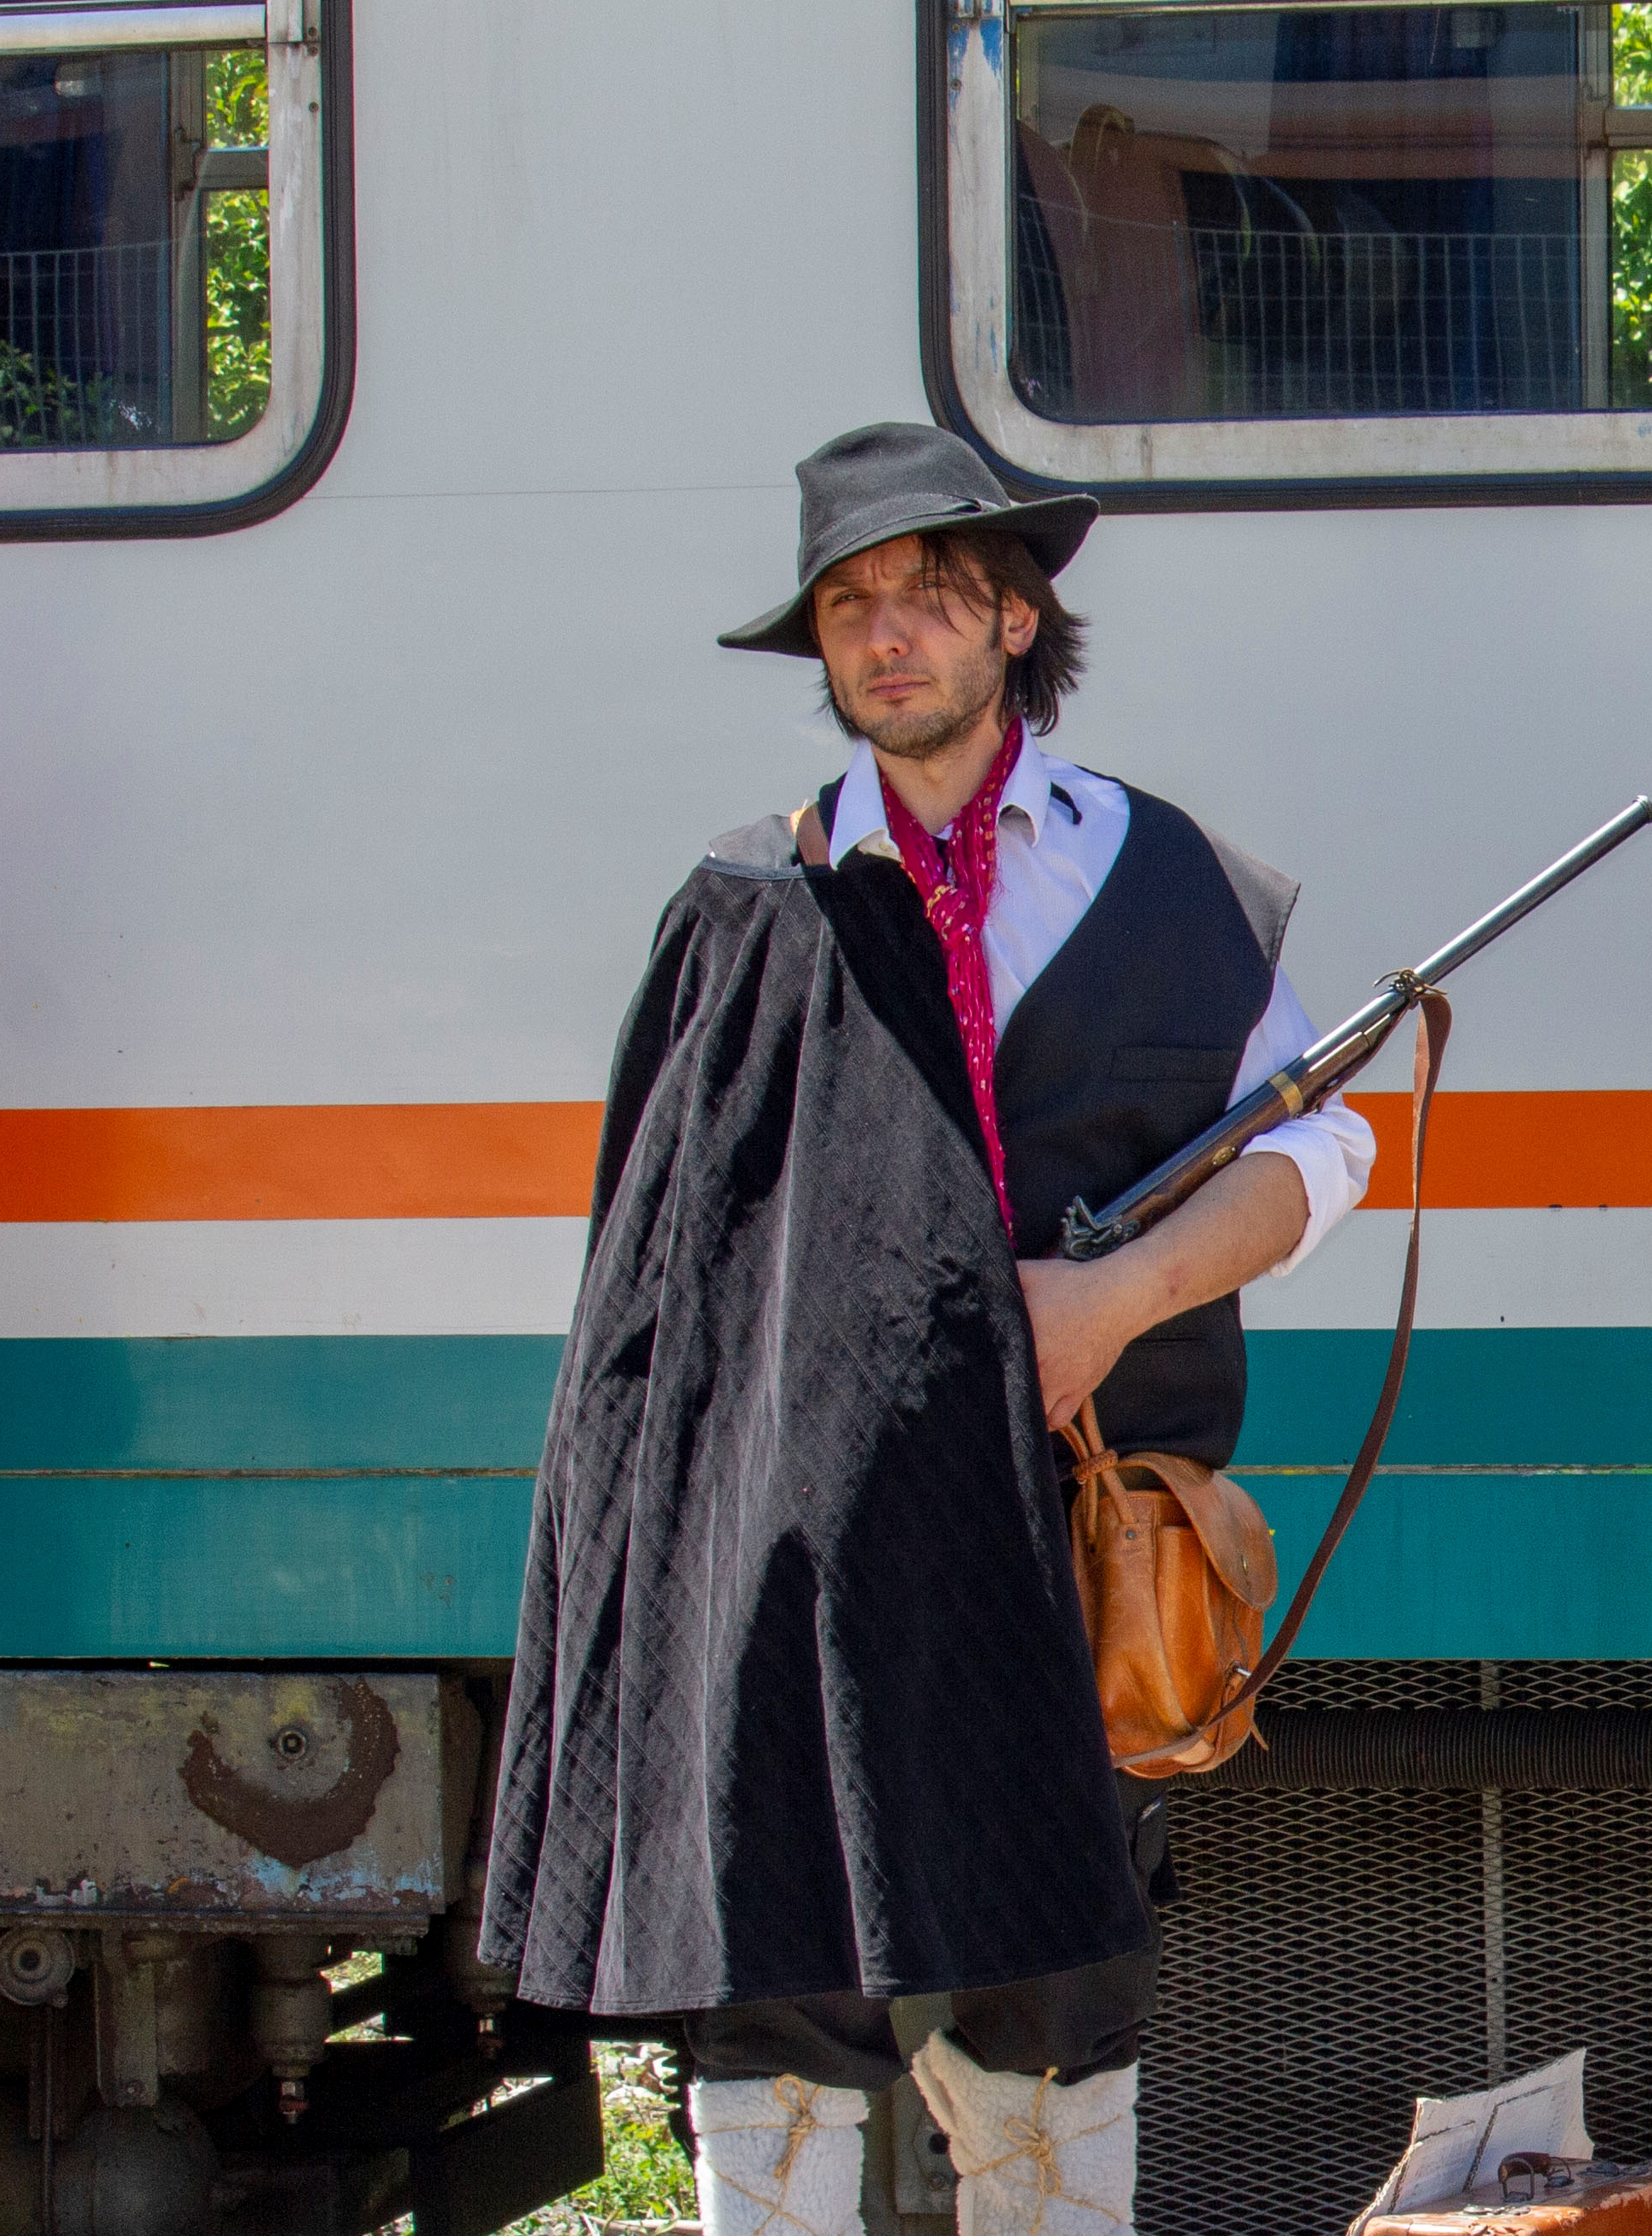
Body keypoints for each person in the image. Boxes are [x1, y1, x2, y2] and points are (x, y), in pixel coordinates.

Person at [478, 422, 1372, 2236]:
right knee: (779, 2005)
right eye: (850, 606)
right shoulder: (747, 908)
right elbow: (655, 1291)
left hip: (1069, 1539)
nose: (886, 637)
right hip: (796, 1577)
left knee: (1053, 2018)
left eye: (928, 600)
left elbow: (1327, 1151)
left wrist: (1114, 1297)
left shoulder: (1177, 884)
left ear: (1019, 621)